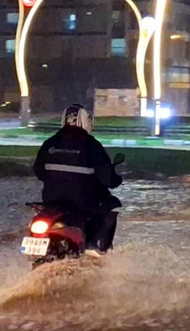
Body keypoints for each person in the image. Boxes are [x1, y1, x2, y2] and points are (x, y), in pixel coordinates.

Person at [33, 104, 123, 253]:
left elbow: (39, 172)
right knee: (111, 203)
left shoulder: (50, 143)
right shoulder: (91, 145)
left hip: (51, 202)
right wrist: (116, 179)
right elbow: (107, 178)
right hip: (82, 204)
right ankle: (98, 247)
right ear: (86, 120)